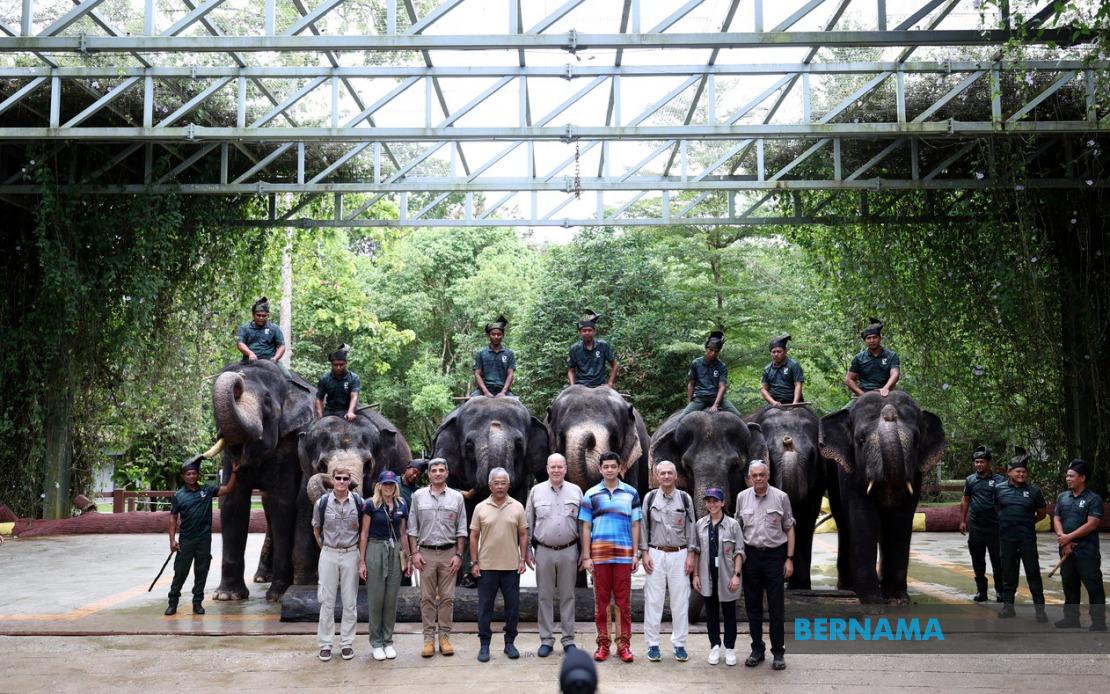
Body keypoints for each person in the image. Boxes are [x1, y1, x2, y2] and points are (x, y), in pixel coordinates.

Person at [579, 451, 641, 663]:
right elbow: (586, 527)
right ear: (600, 469)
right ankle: (603, 645)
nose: (610, 470)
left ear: (619, 468)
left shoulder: (631, 493)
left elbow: (635, 525)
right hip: (600, 557)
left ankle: (624, 646)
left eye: (613, 466)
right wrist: (586, 556)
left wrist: (635, 554)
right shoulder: (591, 494)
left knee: (623, 603)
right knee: (602, 603)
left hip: (624, 557)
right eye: (606, 467)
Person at [736, 459, 794, 671]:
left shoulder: (781, 497)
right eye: (754, 475)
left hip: (775, 557)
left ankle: (778, 652)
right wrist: (738, 561)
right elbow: (738, 530)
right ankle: (757, 649)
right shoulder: (742, 498)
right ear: (749, 477)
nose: (758, 478)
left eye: (762, 475)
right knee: (753, 606)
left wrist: (789, 558)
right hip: (751, 557)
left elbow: (789, 528)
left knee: (776, 607)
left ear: (768, 476)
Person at [408, 457, 468, 657]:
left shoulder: (456, 498)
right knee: (426, 598)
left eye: (442, 470)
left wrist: (459, 555)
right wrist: (414, 553)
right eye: (434, 470)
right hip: (425, 554)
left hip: (449, 553)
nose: (438, 473)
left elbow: (461, 529)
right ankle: (428, 639)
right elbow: (412, 527)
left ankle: (444, 637)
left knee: (447, 598)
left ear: (447, 473)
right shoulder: (418, 496)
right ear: (429, 474)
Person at [524, 453, 583, 657]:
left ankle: (568, 639)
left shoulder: (576, 491)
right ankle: (546, 640)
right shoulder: (536, 491)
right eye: (553, 467)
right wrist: (526, 552)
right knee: (544, 597)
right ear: (547, 468)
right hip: (544, 551)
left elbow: (583, 524)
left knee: (568, 596)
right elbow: (527, 523)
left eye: (560, 467)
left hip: (569, 550)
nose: (556, 470)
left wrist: (585, 552)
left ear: (566, 469)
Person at [165, 457, 240, 616]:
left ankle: (197, 603)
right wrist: (172, 540)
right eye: (188, 474)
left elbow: (228, 489)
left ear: (198, 475)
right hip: (186, 541)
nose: (191, 476)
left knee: (201, 572)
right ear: (183, 476)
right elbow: (173, 519)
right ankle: (172, 603)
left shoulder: (207, 490)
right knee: (180, 572)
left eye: (194, 473)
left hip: (204, 540)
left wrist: (234, 471)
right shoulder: (178, 496)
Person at [641, 460, 699, 663]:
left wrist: (691, 554)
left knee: (680, 601)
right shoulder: (649, 499)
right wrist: (645, 553)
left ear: (676, 476)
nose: (665, 476)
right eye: (662, 473)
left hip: (679, 554)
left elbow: (692, 528)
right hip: (655, 554)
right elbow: (643, 528)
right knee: (653, 601)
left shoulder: (684, 499)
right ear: (656, 477)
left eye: (669, 473)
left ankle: (680, 644)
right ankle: (653, 644)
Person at [469, 468, 529, 662]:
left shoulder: (518, 506)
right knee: (485, 607)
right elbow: (473, 536)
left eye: (503, 482)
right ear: (490, 485)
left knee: (512, 607)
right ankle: (484, 645)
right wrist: (474, 562)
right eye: (497, 482)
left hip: (511, 566)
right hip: (486, 567)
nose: (500, 486)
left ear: (508, 485)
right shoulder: (480, 507)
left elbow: (523, 534)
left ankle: (510, 643)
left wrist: (522, 559)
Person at [312, 465, 364, 662]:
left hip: (351, 553)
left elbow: (362, 531)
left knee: (350, 602)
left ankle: (346, 643)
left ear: (350, 481)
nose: (342, 482)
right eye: (338, 478)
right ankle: (325, 644)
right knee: (326, 601)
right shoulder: (322, 503)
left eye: (345, 478)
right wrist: (324, 547)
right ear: (332, 480)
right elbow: (316, 528)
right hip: (329, 553)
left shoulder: (358, 502)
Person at [359, 470, 411, 661]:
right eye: (385, 484)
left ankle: (388, 640)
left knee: (391, 599)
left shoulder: (401, 504)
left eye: (391, 484)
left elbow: (403, 533)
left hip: (395, 550)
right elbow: (364, 534)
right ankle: (376, 642)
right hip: (375, 548)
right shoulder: (370, 504)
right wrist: (362, 561)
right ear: (379, 486)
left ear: (395, 485)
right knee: (376, 598)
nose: (388, 487)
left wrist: (408, 557)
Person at [994, 448, 1047, 621]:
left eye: (1024, 472)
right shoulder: (999, 489)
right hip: (1007, 538)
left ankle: (1040, 611)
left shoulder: (1034, 491)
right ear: (1009, 473)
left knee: (1033, 572)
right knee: (1008, 573)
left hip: (1027, 539)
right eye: (1018, 471)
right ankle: (1008, 607)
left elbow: (1041, 513)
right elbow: (996, 509)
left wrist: (1027, 523)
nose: (1021, 474)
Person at [1052, 459, 1106, 631]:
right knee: (1069, 584)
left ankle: (1098, 622)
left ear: (1082, 478)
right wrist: (1063, 538)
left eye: (1071, 476)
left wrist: (1069, 537)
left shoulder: (1093, 499)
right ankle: (1071, 618)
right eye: (1067, 476)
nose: (1068, 479)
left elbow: (1092, 523)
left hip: (1086, 552)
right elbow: (1056, 518)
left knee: (1093, 585)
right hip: (1066, 550)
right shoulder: (1063, 497)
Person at [692, 488, 743, 666]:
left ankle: (729, 648)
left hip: (727, 574)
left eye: (715, 501)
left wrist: (736, 575)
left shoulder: (733, 524)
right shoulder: (700, 524)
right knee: (711, 613)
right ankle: (714, 645)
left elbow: (739, 551)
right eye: (709, 501)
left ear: (723, 503)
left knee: (729, 613)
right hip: (707, 574)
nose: (712, 504)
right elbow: (696, 550)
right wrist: (696, 575)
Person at [959, 446, 1005, 602]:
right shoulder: (970, 480)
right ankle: (981, 591)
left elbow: (1005, 502)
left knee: (997, 560)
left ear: (989, 463)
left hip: (995, 526)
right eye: (976, 462)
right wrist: (962, 521)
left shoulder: (999, 481)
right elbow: (965, 500)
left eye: (982, 462)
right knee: (977, 560)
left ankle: (1000, 591)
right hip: (976, 526)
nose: (978, 465)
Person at [679, 331, 741, 418]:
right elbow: (691, 384)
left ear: (719, 352)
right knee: (682, 418)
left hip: (716, 397)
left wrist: (716, 405)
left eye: (716, 351)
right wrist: (689, 403)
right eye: (710, 350)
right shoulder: (696, 363)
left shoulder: (721, 366)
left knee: (738, 416)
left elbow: (722, 386)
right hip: (700, 398)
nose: (713, 353)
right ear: (706, 348)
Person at [844, 318, 900, 398]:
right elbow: (848, 379)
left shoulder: (891, 356)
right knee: (844, 410)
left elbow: (895, 374)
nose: (872, 340)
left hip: (886, 393)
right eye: (869, 338)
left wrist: (885, 388)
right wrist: (862, 395)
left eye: (874, 337)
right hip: (864, 393)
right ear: (865, 341)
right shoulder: (859, 358)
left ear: (880, 338)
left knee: (906, 408)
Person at [566, 311, 617, 388]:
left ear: (594, 331)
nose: (587, 333)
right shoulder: (575, 348)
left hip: (600, 385)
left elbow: (615, 365)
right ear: (580, 332)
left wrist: (610, 384)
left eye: (589, 330)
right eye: (584, 331)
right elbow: (571, 370)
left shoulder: (603, 345)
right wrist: (572, 386)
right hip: (580, 386)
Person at [473, 315, 516, 397]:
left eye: (499, 334)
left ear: (503, 335)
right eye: (493, 334)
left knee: (519, 407)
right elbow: (477, 374)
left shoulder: (509, 353)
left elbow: (510, 374)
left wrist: (503, 392)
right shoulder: (481, 353)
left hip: (504, 390)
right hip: (483, 390)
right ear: (488, 335)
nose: (496, 337)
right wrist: (485, 392)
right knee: (468, 404)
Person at [315, 344, 361, 421]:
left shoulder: (353, 378)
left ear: (346, 363)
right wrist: (320, 417)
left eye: (341, 364)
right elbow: (319, 399)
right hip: (329, 412)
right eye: (335, 365)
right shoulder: (325, 379)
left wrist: (350, 412)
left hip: (346, 412)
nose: (338, 367)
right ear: (331, 365)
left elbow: (354, 396)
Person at [236, 297, 286, 365]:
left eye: (264, 316)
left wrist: (275, 358)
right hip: (248, 361)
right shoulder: (245, 328)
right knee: (230, 373)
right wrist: (250, 353)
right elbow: (240, 343)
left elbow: (281, 346)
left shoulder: (274, 328)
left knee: (287, 375)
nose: (261, 318)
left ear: (268, 316)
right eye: (258, 315)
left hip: (270, 362)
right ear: (253, 315)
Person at [760, 334, 804, 407]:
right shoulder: (767, 369)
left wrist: (795, 403)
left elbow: (798, 384)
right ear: (770, 353)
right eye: (773, 352)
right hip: (774, 403)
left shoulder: (794, 365)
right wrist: (773, 402)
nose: (776, 354)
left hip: (793, 402)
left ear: (785, 351)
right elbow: (763, 389)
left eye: (779, 351)